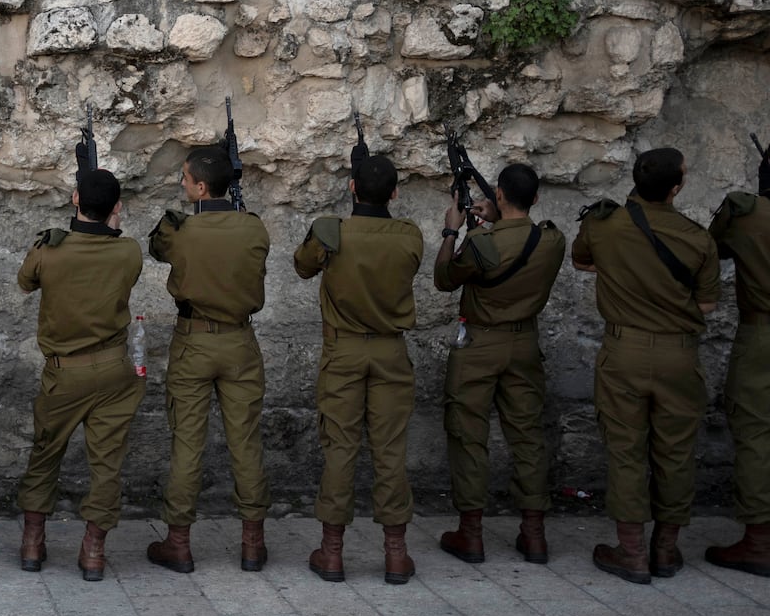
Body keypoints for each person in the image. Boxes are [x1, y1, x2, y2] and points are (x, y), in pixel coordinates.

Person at [573, 147, 719, 584]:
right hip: (679, 355)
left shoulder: (603, 224)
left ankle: (632, 552)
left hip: (624, 351)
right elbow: (707, 304)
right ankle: (667, 549)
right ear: (676, 187)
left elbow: (582, 261)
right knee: (675, 452)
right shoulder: (698, 238)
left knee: (625, 449)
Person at [293, 154, 424, 585]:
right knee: (390, 451)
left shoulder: (334, 233)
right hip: (390, 352)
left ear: (351, 188)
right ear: (395, 193)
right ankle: (396, 554)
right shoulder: (410, 236)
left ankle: (332, 553)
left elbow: (302, 265)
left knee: (340, 448)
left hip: (344, 351)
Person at [145, 146, 270, 575]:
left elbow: (157, 248)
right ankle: (253, 543)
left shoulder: (181, 230)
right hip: (240, 342)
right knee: (246, 443)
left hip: (194, 341)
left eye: (185, 179)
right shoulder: (254, 229)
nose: (181, 185)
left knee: (186, 443)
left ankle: (178, 542)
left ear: (200, 187)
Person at [15, 168, 145, 581]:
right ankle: (93, 551)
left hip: (64, 373)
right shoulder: (129, 252)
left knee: (45, 454)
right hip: (113, 370)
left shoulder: (49, 250)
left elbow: (24, 282)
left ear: (74, 200)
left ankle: (33, 543)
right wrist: (111, 227)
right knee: (106, 463)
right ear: (117, 208)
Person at [432, 163, 565, 565]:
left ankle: (471, 534)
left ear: (500, 196)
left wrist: (454, 229)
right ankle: (534, 533)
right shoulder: (552, 241)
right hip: (524, 343)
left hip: (479, 345)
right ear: (537, 199)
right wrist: (497, 220)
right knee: (527, 435)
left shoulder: (479, 245)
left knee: (469, 435)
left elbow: (444, 277)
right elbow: (517, 237)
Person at [704, 145, 770, 578]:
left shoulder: (747, 212)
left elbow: (712, 250)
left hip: (762, 333)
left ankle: (760, 542)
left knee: (755, 432)